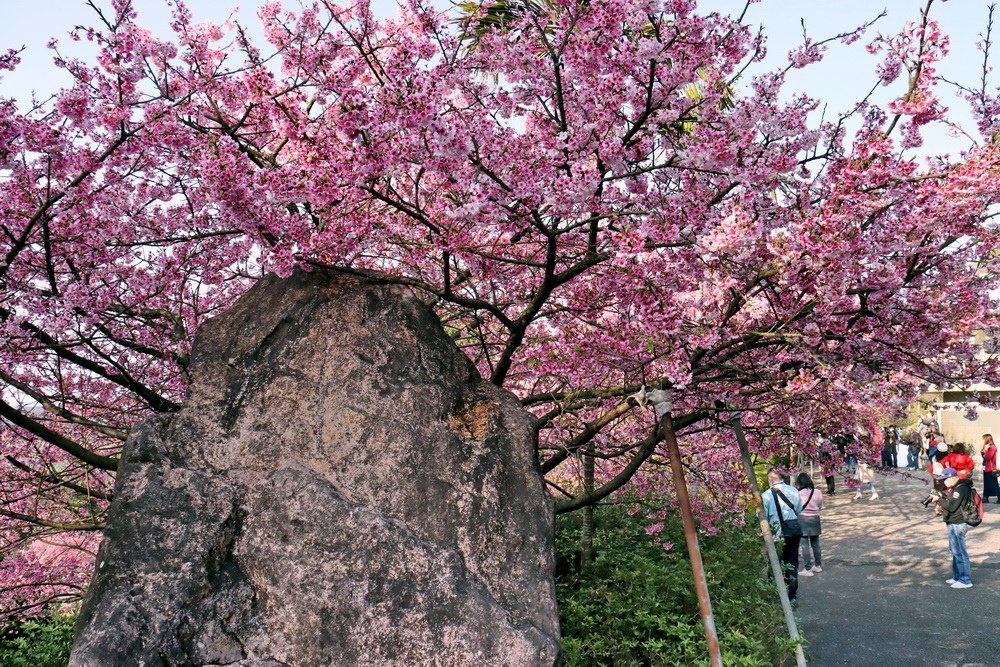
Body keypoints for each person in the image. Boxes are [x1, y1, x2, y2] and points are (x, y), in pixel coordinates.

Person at [762, 469, 804, 601]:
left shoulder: (766, 495)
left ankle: (774, 593)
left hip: (775, 534)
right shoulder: (793, 490)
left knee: (775, 563)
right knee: (792, 562)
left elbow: (763, 517)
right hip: (792, 531)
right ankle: (792, 595)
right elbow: (799, 509)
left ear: (770, 479)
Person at [931, 468, 976, 589]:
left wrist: (938, 499)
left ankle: (965, 580)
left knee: (960, 552)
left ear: (952, 478)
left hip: (958, 523)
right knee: (955, 551)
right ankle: (957, 577)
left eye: (944, 480)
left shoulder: (961, 489)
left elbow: (951, 506)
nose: (943, 482)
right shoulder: (956, 488)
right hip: (953, 522)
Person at [794, 472, 823, 576]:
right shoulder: (818, 492)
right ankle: (818, 565)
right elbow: (820, 505)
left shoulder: (798, 493)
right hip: (815, 518)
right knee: (815, 544)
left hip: (802, 519)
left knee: (804, 545)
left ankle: (808, 568)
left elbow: (796, 507)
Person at [982, 433, 999, 503]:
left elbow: (988, 457)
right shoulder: (988, 447)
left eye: (984, 439)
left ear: (987, 439)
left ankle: (999, 497)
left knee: (994, 484)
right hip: (986, 468)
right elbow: (983, 455)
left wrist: (985, 450)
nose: (983, 440)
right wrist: (984, 449)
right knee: (986, 484)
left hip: (990, 469)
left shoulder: (992, 447)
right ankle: (985, 498)